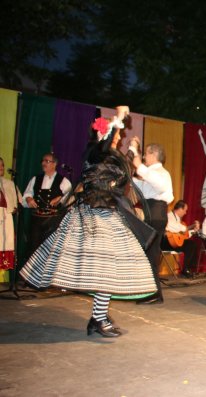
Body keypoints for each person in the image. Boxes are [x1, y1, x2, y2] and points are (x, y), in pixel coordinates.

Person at [20, 108, 157, 337]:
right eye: (114, 134)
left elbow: (121, 170)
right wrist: (119, 119)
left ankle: (98, 317)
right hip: (95, 216)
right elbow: (103, 147)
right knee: (104, 270)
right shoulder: (95, 152)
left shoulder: (109, 155)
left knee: (108, 271)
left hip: (108, 214)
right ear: (101, 135)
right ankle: (98, 319)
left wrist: (132, 150)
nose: (118, 136)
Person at [132, 142, 174, 304]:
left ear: (154, 155)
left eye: (146, 154)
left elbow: (158, 184)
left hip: (156, 213)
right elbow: (143, 186)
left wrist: (139, 166)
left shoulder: (161, 173)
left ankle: (154, 293)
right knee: (148, 252)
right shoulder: (153, 174)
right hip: (152, 213)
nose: (144, 157)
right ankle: (151, 292)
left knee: (151, 252)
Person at [21, 153, 72, 259]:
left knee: (50, 251)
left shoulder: (63, 180)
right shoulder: (36, 179)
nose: (43, 163)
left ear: (54, 164)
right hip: (36, 221)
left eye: (47, 161)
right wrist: (28, 198)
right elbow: (27, 194)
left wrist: (60, 198)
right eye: (43, 161)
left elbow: (71, 198)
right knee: (33, 250)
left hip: (53, 222)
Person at [162, 200, 200, 277]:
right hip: (166, 242)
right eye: (185, 210)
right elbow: (176, 228)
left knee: (192, 244)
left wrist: (194, 231)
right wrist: (190, 226)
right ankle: (186, 270)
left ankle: (188, 269)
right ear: (180, 209)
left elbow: (183, 235)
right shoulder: (169, 216)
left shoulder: (179, 220)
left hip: (174, 243)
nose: (185, 213)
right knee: (191, 245)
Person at [0, 158, 21, 272]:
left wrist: (14, 207)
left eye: (2, 165)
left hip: (5, 219)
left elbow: (18, 202)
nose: (1, 168)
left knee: (4, 243)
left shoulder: (9, 184)